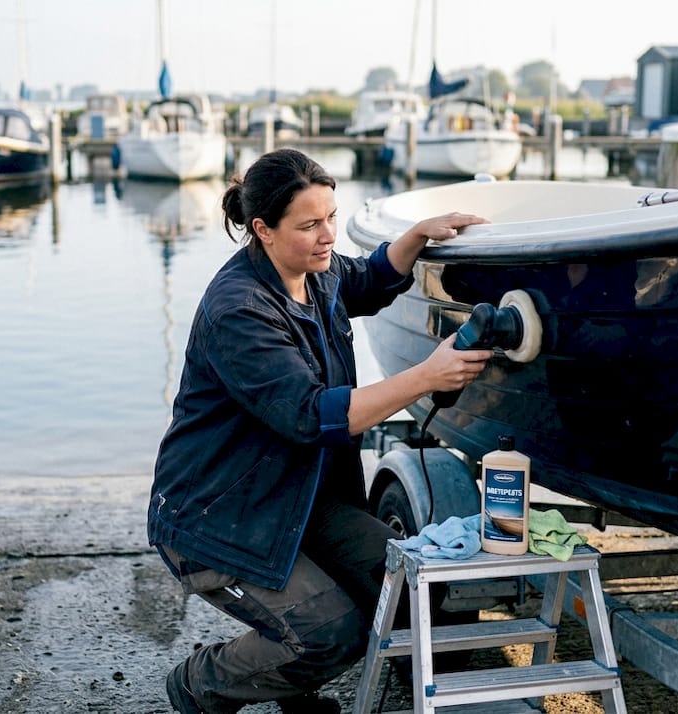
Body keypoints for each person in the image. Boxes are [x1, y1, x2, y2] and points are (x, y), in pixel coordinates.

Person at [148, 148, 493, 713]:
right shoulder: (239, 310)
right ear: (261, 229)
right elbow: (312, 415)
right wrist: (426, 376)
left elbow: (368, 279)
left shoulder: (318, 269)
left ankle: (291, 678)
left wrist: (417, 236)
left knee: (414, 591)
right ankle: (199, 683)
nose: (327, 235)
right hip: (222, 514)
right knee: (331, 631)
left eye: (331, 217)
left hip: (303, 498)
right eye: (309, 225)